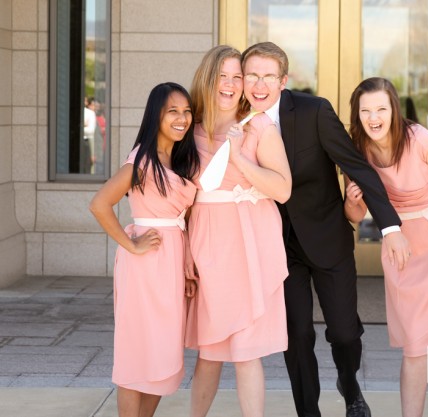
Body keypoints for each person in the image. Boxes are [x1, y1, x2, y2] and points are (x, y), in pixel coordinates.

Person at [241, 42, 410, 417]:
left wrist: (390, 226)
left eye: (268, 75)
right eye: (251, 74)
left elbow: (357, 166)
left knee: (345, 333)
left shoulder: (314, 111)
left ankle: (350, 386)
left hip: (327, 236)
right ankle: (308, 412)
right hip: (278, 246)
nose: (258, 84)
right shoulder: (235, 120)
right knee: (297, 336)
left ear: (283, 80)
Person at [344, 77, 428, 417]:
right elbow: (356, 216)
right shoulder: (355, 149)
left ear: (394, 109)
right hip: (403, 244)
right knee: (415, 344)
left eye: (381, 109)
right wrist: (351, 201)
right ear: (356, 114)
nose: (373, 117)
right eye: (365, 111)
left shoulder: (421, 140)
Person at [184, 45, 292, 417]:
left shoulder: (260, 126)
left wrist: (240, 156)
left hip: (250, 245)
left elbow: (282, 189)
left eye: (237, 76)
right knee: (209, 353)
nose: (230, 85)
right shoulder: (189, 125)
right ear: (208, 79)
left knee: (247, 353)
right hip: (207, 244)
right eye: (223, 77)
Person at [89, 82, 200, 417]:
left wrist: (187, 264)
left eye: (186, 111)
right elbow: (99, 204)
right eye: (173, 112)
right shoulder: (141, 160)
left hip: (172, 262)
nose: (182, 118)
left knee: (165, 351)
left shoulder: (180, 158)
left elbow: (186, 218)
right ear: (156, 116)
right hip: (144, 265)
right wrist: (131, 244)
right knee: (137, 352)